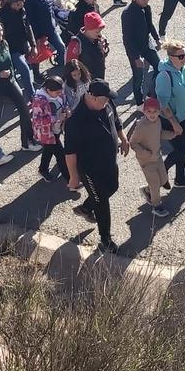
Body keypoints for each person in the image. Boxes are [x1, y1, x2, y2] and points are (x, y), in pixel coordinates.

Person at [65, 80, 130, 253]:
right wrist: (73, 176)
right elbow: (70, 152)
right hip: (90, 169)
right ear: (92, 97)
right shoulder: (76, 120)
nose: (108, 102)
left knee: (113, 187)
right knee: (101, 201)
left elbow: (116, 120)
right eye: (104, 99)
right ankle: (105, 240)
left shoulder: (106, 103)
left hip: (109, 161)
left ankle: (86, 207)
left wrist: (123, 139)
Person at [0, 18, 38, 152]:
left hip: (11, 83)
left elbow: (9, 63)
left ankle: (27, 142)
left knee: (25, 110)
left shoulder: (4, 43)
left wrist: (13, 77)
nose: (1, 34)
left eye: (1, 30)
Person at [156, 38, 185, 189]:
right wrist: (174, 123)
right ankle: (161, 173)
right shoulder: (164, 76)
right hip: (170, 119)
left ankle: (180, 178)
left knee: (184, 147)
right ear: (170, 57)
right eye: (180, 56)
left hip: (183, 116)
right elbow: (163, 105)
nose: (184, 58)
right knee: (180, 150)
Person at [128, 98, 170, 217]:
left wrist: (172, 135)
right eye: (149, 111)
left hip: (157, 156)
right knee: (155, 183)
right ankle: (156, 206)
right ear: (144, 111)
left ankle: (147, 190)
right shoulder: (141, 125)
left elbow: (160, 134)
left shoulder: (158, 122)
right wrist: (144, 153)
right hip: (146, 160)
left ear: (159, 112)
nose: (152, 114)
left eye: (155, 111)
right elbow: (133, 142)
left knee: (163, 179)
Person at [121, 0, 160, 106]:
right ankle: (139, 102)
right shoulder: (127, 13)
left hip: (147, 43)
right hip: (134, 49)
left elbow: (150, 24)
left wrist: (157, 38)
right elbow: (127, 39)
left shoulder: (146, 8)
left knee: (159, 67)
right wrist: (136, 57)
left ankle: (151, 94)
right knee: (139, 76)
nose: (146, 2)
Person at [0, 0, 36, 98]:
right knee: (24, 70)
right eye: (19, 3)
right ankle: (32, 96)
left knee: (26, 69)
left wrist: (33, 45)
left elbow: (28, 28)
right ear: (12, 4)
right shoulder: (1, 16)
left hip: (23, 45)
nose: (22, 5)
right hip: (11, 50)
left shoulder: (22, 11)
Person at [30, 75, 69, 180]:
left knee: (48, 149)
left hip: (56, 129)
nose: (60, 94)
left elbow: (64, 102)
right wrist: (56, 118)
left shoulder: (58, 93)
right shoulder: (39, 101)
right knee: (61, 155)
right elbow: (39, 121)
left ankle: (43, 169)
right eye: (57, 93)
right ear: (48, 90)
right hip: (47, 133)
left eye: (61, 91)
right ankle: (70, 179)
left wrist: (66, 109)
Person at [26, 0, 67, 64]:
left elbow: (51, 9)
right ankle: (36, 75)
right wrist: (36, 37)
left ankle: (61, 67)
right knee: (38, 55)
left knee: (61, 47)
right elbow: (30, 19)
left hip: (51, 29)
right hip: (39, 33)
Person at [77, 11, 110, 82]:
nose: (100, 34)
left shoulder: (98, 38)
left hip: (99, 78)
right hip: (85, 82)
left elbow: (103, 54)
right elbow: (69, 66)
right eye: (97, 32)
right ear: (89, 29)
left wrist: (104, 49)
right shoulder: (76, 43)